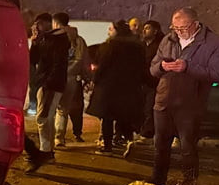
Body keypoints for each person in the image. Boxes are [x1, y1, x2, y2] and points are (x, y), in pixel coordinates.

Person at [147, 7, 219, 185]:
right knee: (160, 144)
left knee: (187, 146)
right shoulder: (168, 39)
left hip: (190, 103)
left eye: (183, 28)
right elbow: (152, 69)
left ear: (195, 24)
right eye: (175, 27)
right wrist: (162, 66)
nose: (178, 32)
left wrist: (188, 67)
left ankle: (189, 183)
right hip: (164, 100)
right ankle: (158, 179)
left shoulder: (214, 43)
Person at [88, 21, 147, 154]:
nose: (108, 32)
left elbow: (101, 67)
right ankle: (129, 140)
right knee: (124, 116)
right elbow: (142, 68)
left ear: (117, 31)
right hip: (129, 87)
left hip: (109, 87)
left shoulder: (108, 46)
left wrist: (94, 80)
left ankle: (107, 147)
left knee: (107, 118)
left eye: (110, 29)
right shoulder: (137, 48)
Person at [29, 13, 70, 159]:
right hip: (46, 82)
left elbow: (57, 64)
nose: (37, 27)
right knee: (48, 117)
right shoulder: (47, 39)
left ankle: (45, 151)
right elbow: (33, 60)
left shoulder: (58, 39)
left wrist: (47, 83)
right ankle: (48, 150)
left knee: (43, 117)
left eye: (39, 24)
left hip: (51, 84)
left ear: (49, 23)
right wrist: (34, 42)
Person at [52, 12, 89, 147]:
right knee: (63, 109)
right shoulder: (79, 40)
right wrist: (87, 77)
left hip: (54, 77)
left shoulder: (53, 38)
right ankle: (59, 138)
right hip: (72, 79)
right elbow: (83, 61)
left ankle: (52, 136)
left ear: (55, 23)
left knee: (51, 108)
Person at [136, 20, 164, 143]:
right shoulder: (142, 45)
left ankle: (147, 133)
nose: (144, 30)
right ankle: (141, 130)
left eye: (148, 28)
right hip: (141, 82)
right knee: (141, 108)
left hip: (153, 82)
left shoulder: (160, 46)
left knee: (149, 108)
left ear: (155, 31)